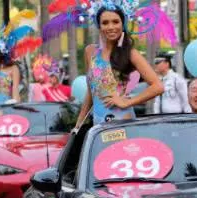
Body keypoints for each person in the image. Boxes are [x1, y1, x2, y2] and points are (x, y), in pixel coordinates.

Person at [71, 0, 165, 128]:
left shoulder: (130, 53)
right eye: (105, 23)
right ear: (99, 26)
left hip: (122, 123)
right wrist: (78, 124)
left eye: (115, 22)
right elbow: (91, 91)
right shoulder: (90, 52)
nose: (111, 27)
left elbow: (158, 86)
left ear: (123, 24)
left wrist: (127, 103)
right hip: (98, 126)